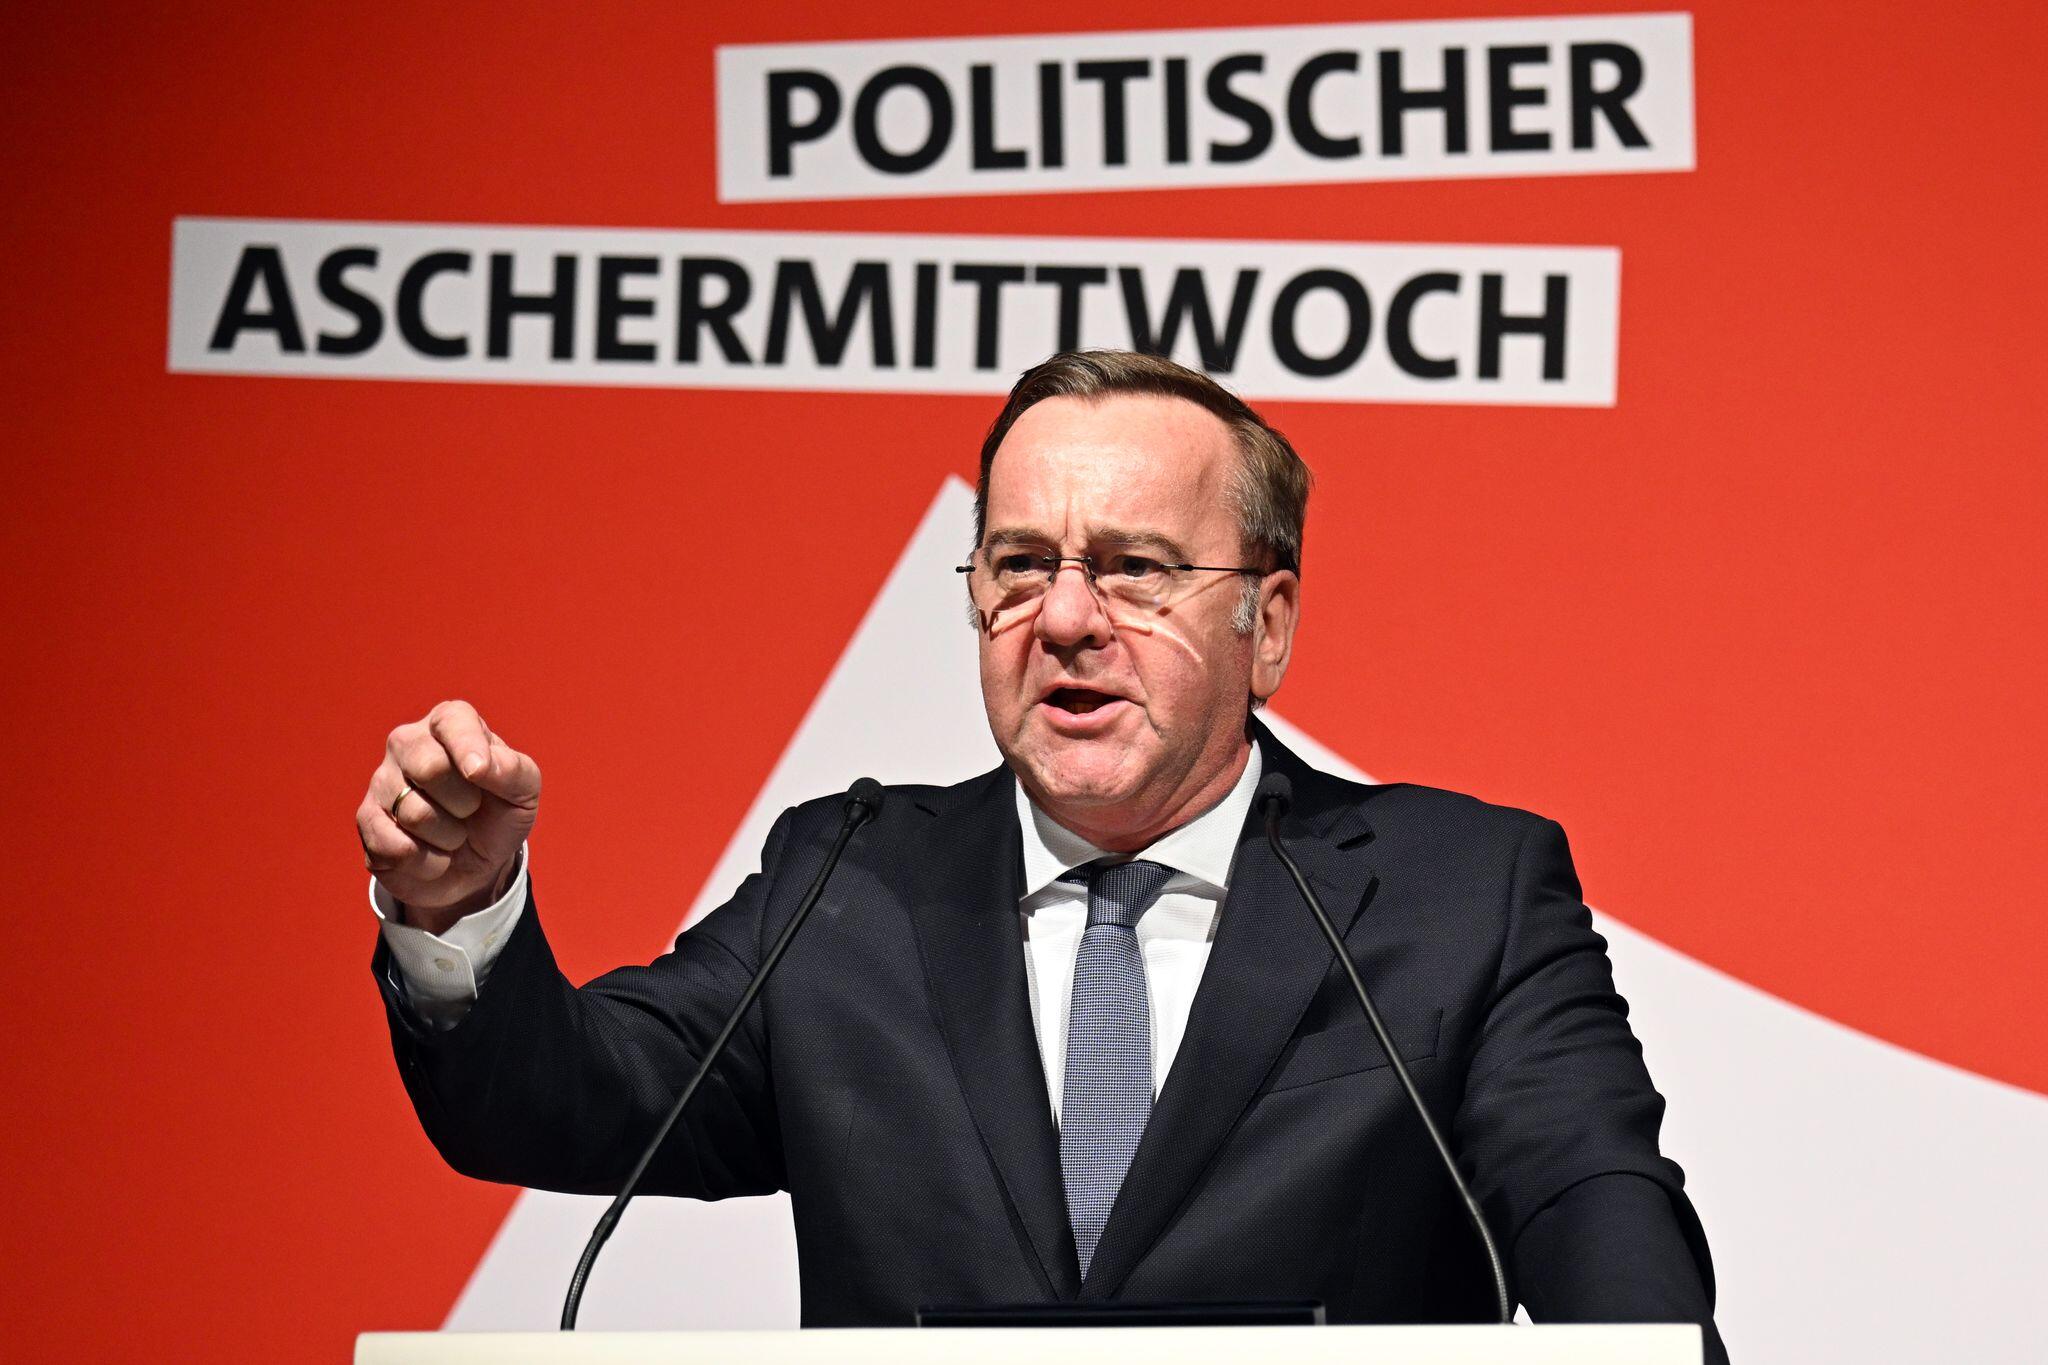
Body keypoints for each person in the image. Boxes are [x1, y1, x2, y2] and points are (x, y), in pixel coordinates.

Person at [358, 350, 1725, 1358]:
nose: (1065, 618)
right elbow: (560, 1101)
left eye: (1135, 567)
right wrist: (460, 909)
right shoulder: (846, 882)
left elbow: (1605, 1235)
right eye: (1019, 564)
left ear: (1266, 626)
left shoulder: (1461, 896)